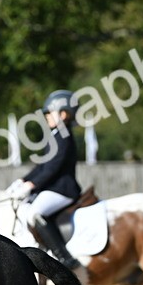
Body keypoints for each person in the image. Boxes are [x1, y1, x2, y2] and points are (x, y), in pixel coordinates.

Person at [6, 90, 84, 269]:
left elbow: (53, 167)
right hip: (51, 188)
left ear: (64, 114)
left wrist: (32, 185)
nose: (47, 116)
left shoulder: (64, 136)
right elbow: (42, 166)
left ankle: (64, 257)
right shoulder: (55, 135)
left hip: (63, 189)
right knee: (25, 209)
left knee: (36, 213)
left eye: (50, 112)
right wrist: (22, 180)